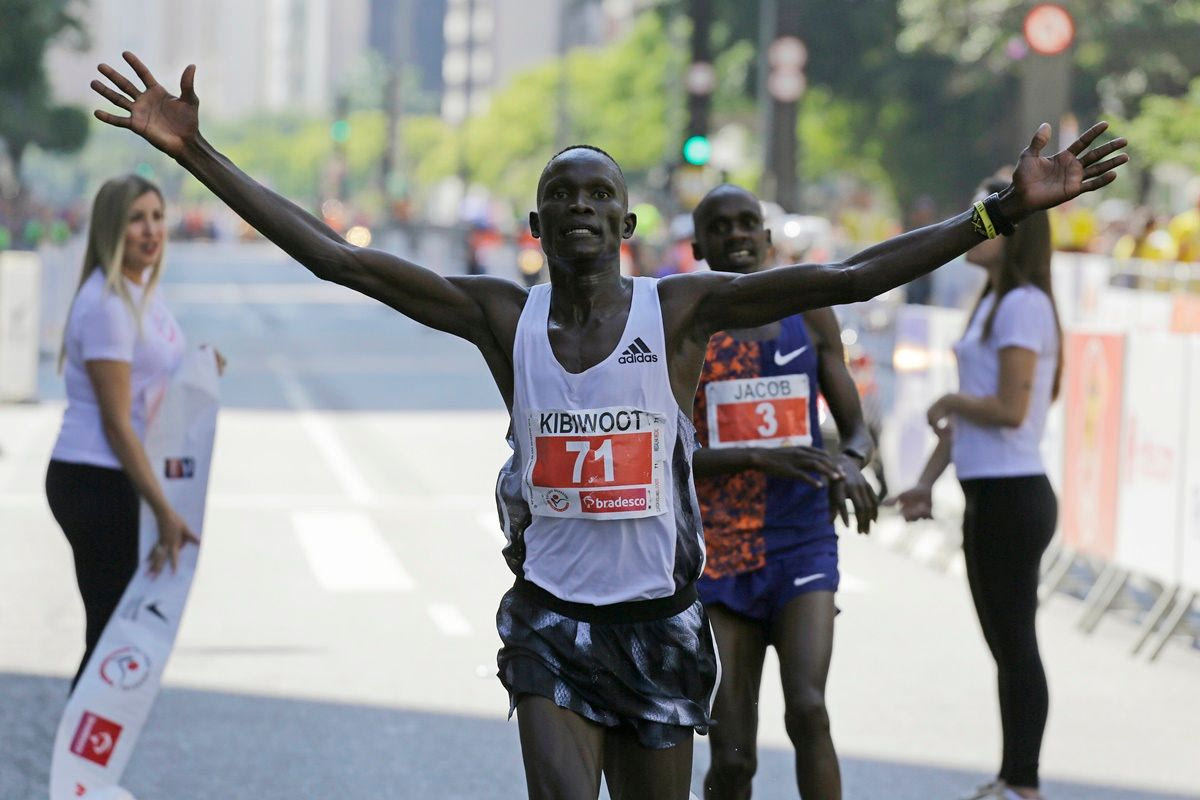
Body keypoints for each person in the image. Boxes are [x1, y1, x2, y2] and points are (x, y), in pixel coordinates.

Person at [89, 52, 1126, 800]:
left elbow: (850, 274)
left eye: (600, 194)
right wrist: (196, 154)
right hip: (551, 622)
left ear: (626, 226)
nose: (580, 205)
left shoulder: (682, 310)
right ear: (537, 227)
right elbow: (339, 258)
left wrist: (998, 214)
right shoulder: (503, 315)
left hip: (663, 621)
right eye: (560, 195)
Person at [689, 185, 876, 800]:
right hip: (719, 551)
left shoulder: (810, 312)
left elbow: (856, 430)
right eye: (721, 227)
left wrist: (850, 464)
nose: (737, 234)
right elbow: (666, 456)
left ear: (768, 241)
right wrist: (754, 456)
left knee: (809, 710)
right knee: (735, 753)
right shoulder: (683, 327)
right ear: (699, 245)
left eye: (749, 224)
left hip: (801, 539)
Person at [893, 177, 1065, 800]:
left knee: (1016, 643)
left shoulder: (1023, 303)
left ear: (1013, 230)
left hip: (1014, 495)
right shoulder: (994, 300)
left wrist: (951, 398)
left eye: (988, 215)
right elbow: (969, 419)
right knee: (1005, 645)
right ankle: (1012, 775)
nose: (975, 224)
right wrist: (924, 483)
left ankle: (1023, 782)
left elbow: (1010, 408)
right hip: (988, 491)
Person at [44, 175, 222, 691]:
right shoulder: (107, 306)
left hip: (114, 477)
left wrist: (201, 370)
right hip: (96, 478)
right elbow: (117, 423)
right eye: (136, 219)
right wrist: (165, 513)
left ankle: (87, 767)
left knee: (115, 631)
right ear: (110, 229)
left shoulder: (140, 293)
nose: (150, 230)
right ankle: (78, 766)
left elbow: (152, 382)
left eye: (157, 217)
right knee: (111, 633)